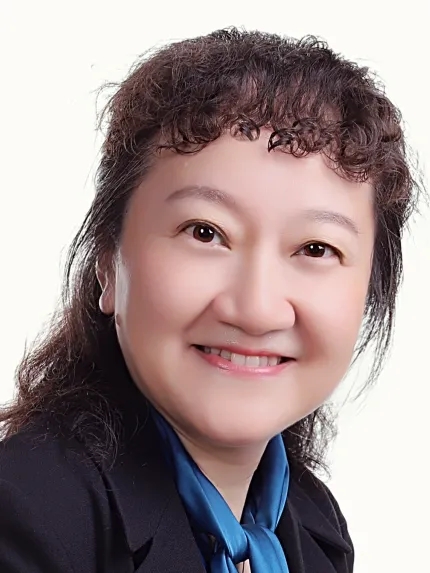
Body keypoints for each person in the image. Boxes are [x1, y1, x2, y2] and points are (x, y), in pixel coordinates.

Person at [0, 27, 421, 573]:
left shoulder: (313, 524)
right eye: (205, 233)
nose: (256, 309)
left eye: (316, 248)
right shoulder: (26, 515)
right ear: (107, 263)